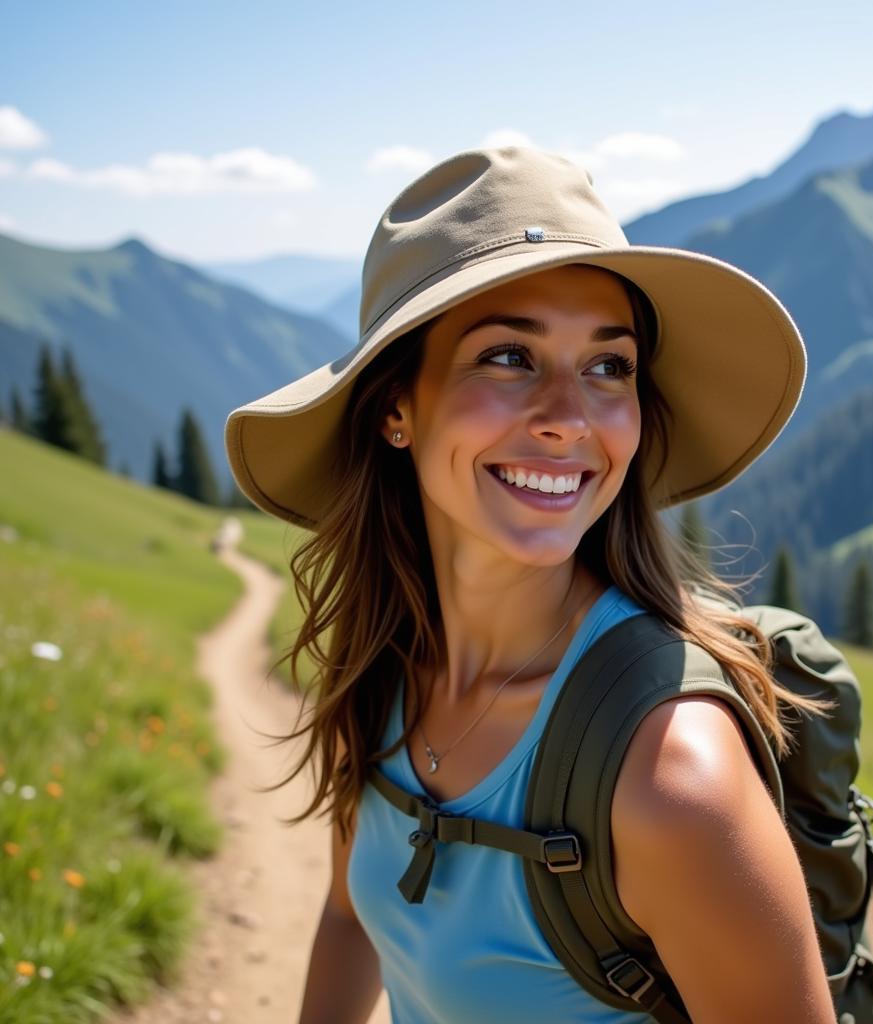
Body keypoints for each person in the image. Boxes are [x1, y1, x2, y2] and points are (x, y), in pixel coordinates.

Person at [225, 146, 837, 1024]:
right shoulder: (379, 669)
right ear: (397, 407)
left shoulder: (672, 777)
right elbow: (352, 914)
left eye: (609, 366)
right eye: (509, 357)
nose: (568, 419)